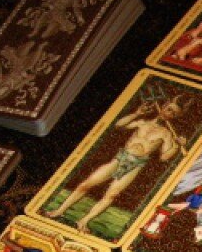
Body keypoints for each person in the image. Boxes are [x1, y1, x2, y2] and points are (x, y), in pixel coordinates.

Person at [45, 96, 188, 232]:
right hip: (120, 158)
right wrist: (136, 113)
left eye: (174, 113)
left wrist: (177, 146)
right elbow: (119, 124)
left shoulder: (166, 134)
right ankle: (59, 211)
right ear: (163, 107)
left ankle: (84, 221)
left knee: (111, 195)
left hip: (135, 165)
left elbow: (164, 157)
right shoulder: (142, 122)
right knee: (86, 184)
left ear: (175, 117)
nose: (170, 113)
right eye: (169, 109)